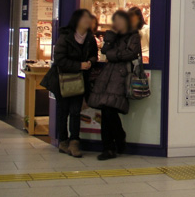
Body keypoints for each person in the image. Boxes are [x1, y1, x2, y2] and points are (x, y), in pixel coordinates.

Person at [88, 10, 141, 160]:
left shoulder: (133, 36)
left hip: (121, 76)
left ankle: (116, 140)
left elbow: (131, 53)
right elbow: (105, 50)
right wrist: (110, 39)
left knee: (109, 110)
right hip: (107, 76)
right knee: (105, 111)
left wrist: (113, 54)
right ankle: (110, 146)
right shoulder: (112, 35)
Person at [53, 9, 98, 158]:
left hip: (80, 81)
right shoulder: (66, 37)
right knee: (63, 111)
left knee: (75, 112)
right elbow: (59, 59)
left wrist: (90, 62)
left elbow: (94, 56)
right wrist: (79, 65)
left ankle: (74, 142)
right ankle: (63, 141)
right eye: (85, 18)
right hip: (64, 80)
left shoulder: (90, 38)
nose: (88, 21)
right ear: (77, 20)